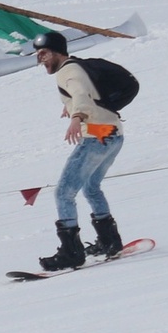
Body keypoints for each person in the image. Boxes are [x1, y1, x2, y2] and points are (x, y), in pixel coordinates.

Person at [32, 30, 126, 270]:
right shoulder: (77, 67)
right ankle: (109, 241)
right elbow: (84, 94)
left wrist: (77, 115)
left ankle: (71, 253)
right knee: (91, 187)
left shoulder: (68, 71)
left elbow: (81, 94)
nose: (40, 58)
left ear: (56, 52)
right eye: (38, 55)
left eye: (43, 53)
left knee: (64, 192)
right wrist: (72, 106)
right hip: (112, 135)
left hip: (95, 137)